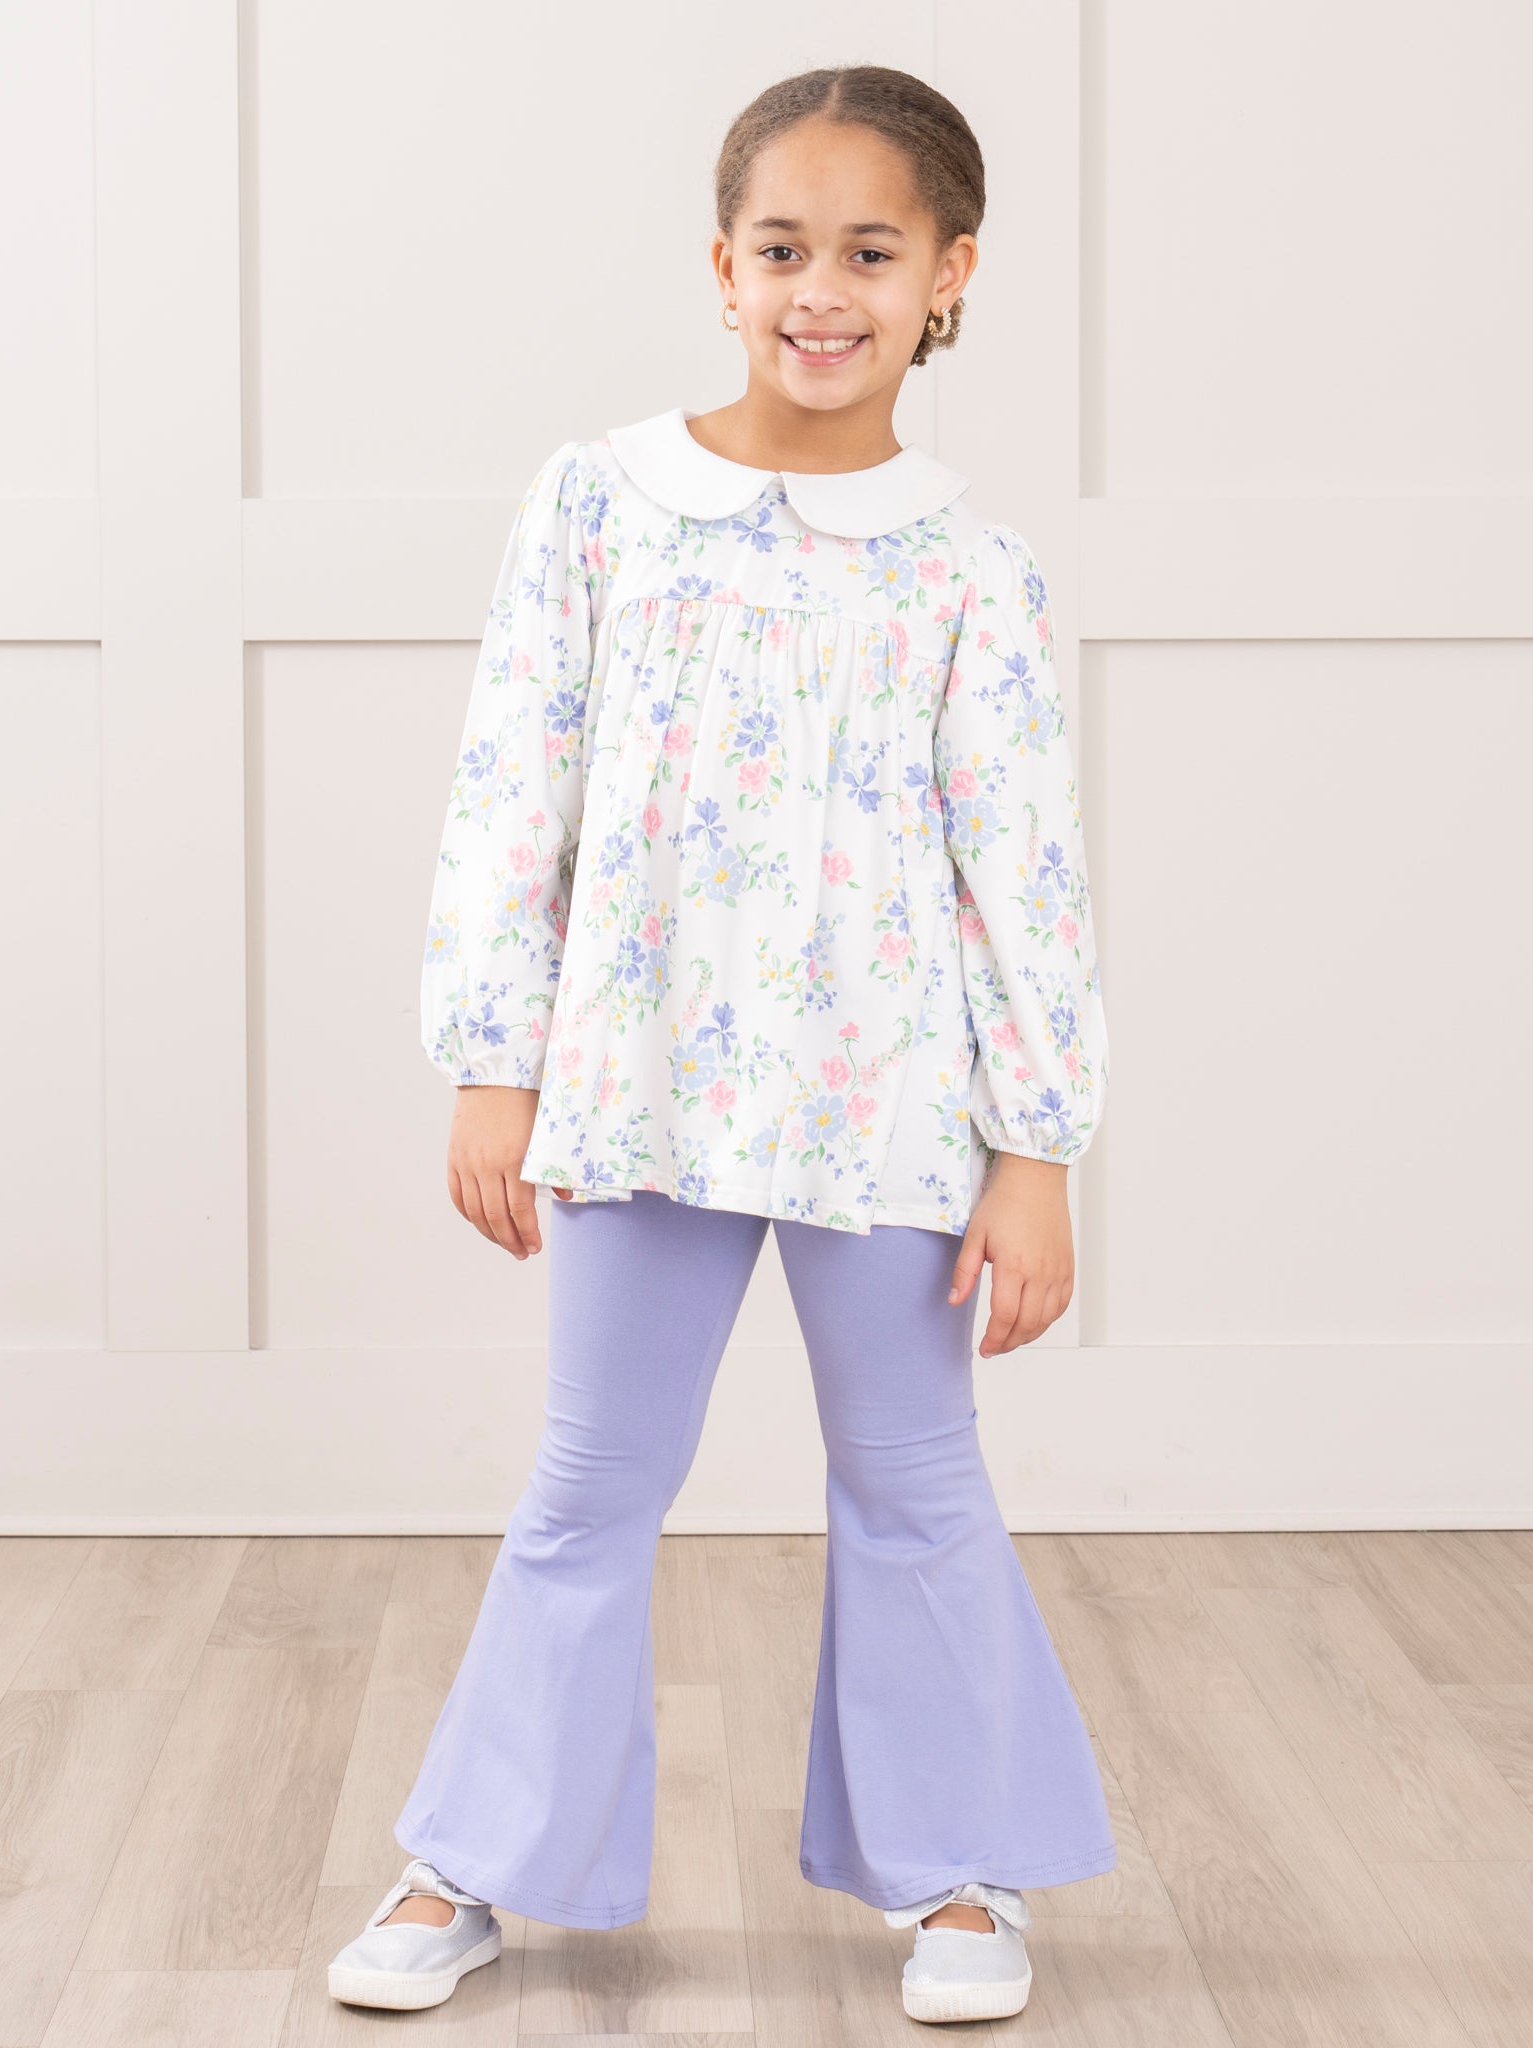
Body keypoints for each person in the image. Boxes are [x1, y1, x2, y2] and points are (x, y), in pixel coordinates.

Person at [328, 62, 1116, 2028]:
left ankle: (957, 1873)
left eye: (870, 252)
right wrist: (494, 1057)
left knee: (916, 1480)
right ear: (722, 267)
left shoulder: (972, 570)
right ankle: (473, 1860)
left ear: (950, 275)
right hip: (640, 1087)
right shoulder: (601, 507)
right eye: (783, 249)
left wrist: (1037, 1150)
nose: (821, 291)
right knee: (590, 1479)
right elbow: (515, 789)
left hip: (891, 1110)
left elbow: (1020, 876)